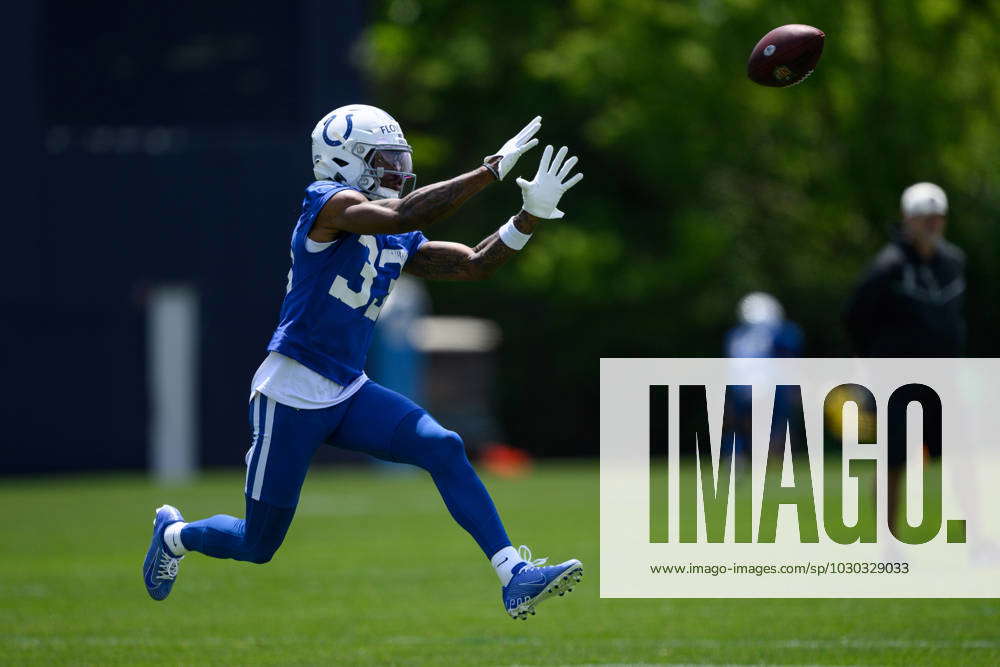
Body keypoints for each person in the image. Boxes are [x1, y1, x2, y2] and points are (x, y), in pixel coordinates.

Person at [142, 105, 584, 620]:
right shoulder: (326, 203)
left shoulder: (393, 228)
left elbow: (473, 265)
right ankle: (174, 535)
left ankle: (514, 574)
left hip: (349, 390)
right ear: (342, 162)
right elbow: (402, 214)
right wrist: (490, 170)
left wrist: (528, 218)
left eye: (399, 158)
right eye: (382, 159)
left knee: (443, 446)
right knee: (258, 544)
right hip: (291, 392)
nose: (397, 170)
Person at [844, 182, 965, 533]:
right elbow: (855, 317)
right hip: (896, 379)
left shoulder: (953, 263)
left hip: (944, 377)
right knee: (893, 459)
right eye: (923, 218)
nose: (931, 225)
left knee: (963, 458)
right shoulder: (888, 267)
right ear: (907, 219)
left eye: (936, 218)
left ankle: (980, 541)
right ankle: (889, 543)